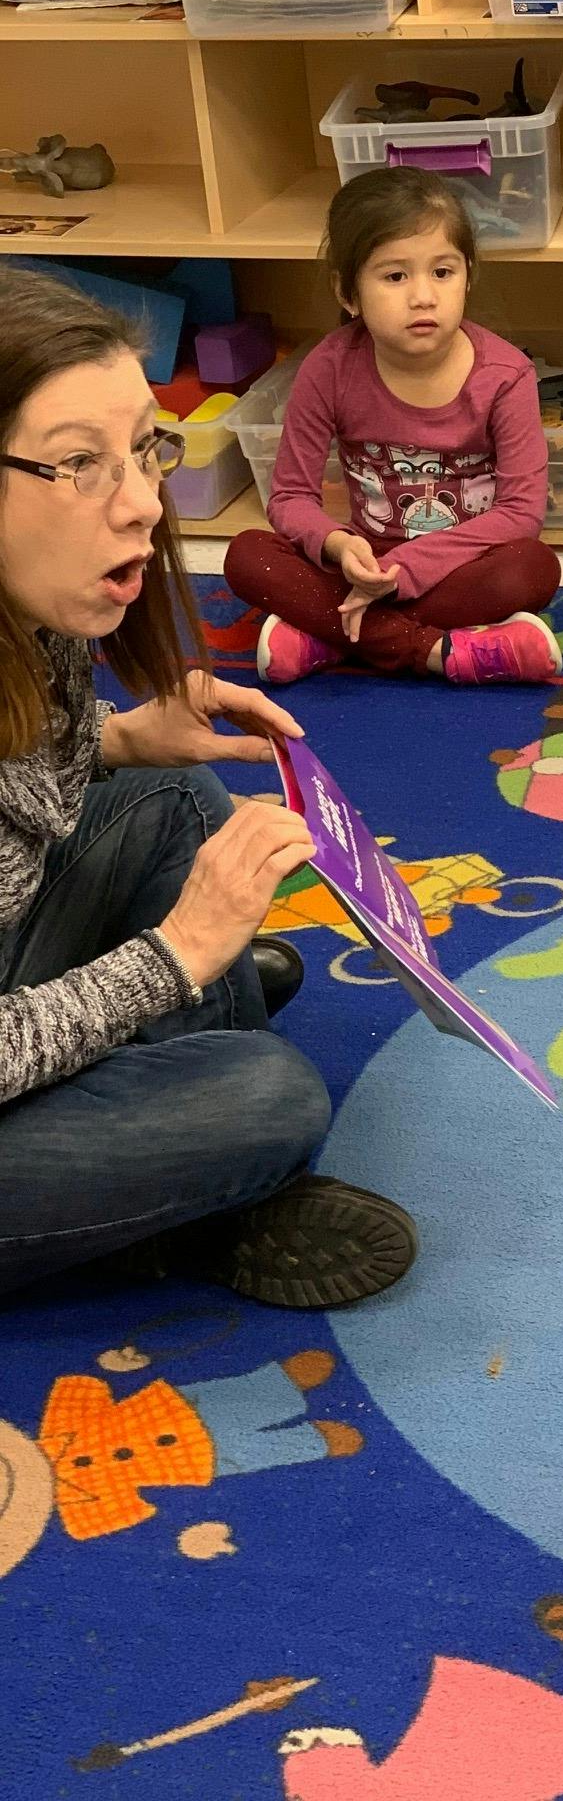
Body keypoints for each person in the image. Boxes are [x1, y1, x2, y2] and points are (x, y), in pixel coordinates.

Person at [0, 267, 415, 1309]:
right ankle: (185, 1198)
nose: (144, 502)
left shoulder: (36, 606)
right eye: (78, 465)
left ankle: (171, 1117)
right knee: (266, 1096)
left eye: (145, 447)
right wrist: (175, 956)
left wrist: (122, 738)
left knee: (173, 800)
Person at [225, 167, 562, 689]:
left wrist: (411, 568)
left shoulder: (506, 374)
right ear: (348, 292)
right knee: (247, 555)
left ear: (468, 276)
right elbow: (289, 497)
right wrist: (337, 545)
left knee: (533, 568)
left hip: (457, 568)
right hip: (362, 565)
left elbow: (521, 514)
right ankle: (434, 650)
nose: (423, 296)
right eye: (395, 276)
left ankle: (328, 636)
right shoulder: (329, 367)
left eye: (442, 272)